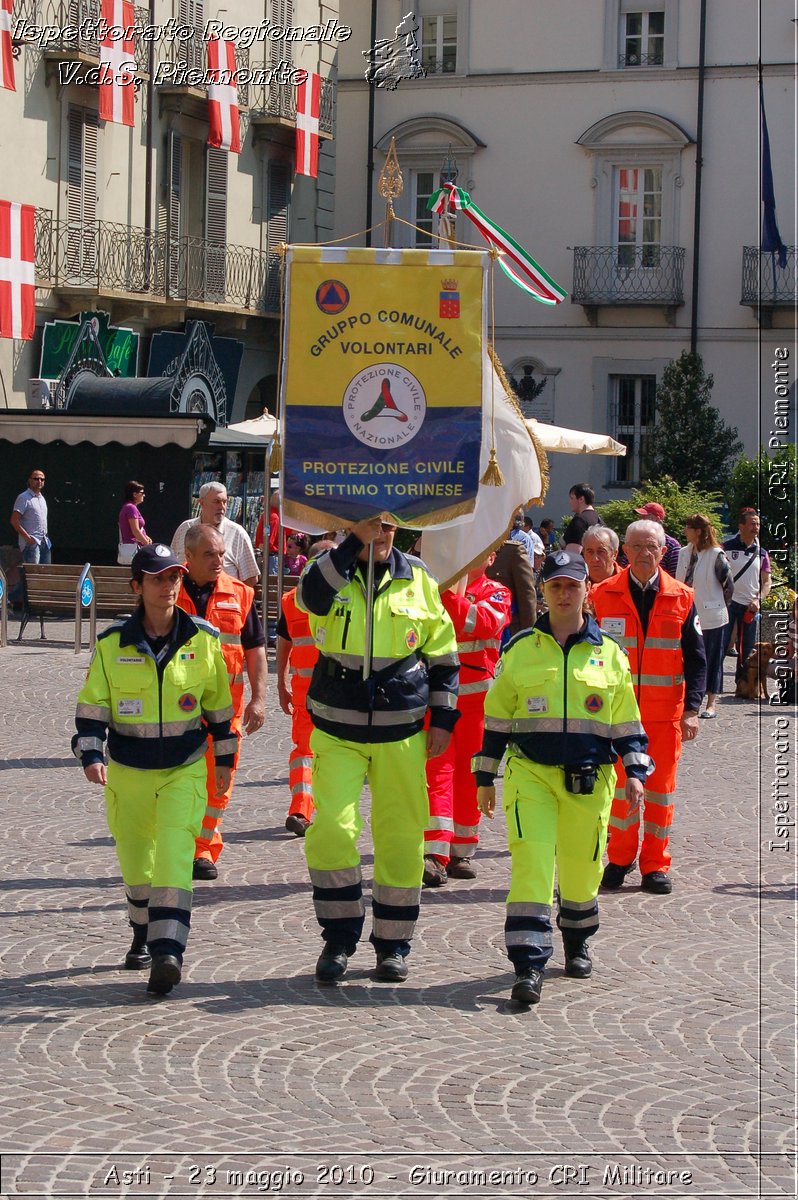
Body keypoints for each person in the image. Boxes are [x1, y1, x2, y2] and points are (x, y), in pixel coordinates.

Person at [474, 551, 650, 1007]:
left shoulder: (609, 655)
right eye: (555, 586)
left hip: (591, 781)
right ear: (545, 592)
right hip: (530, 775)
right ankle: (528, 962)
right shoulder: (519, 649)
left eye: (572, 585)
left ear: (586, 590)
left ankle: (576, 940)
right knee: (531, 866)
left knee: (581, 870)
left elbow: (626, 721)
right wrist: (484, 776)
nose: (564, 593)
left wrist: (635, 770)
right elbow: (495, 718)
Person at [297, 515, 459, 984]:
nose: (383, 535)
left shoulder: (419, 579)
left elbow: (444, 656)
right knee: (331, 830)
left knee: (402, 839)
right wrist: (351, 544)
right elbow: (310, 599)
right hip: (337, 727)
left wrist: (444, 718)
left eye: (389, 527)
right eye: (374, 527)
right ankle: (338, 937)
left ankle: (393, 945)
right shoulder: (328, 570)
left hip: (401, 732)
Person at [72, 543, 237, 996]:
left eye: (174, 578)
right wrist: (90, 753)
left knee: (174, 853)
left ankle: (168, 951)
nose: (168, 587)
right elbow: (93, 706)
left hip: (184, 768)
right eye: (158, 579)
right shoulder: (110, 645)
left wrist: (223, 760)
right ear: (137, 586)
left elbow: (219, 707)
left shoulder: (203, 639)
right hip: (128, 772)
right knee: (135, 861)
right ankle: (142, 932)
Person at [591, 520, 707, 895]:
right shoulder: (601, 595)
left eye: (652, 546)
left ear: (662, 551)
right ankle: (620, 859)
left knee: (660, 792)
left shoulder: (683, 596)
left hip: (664, 715)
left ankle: (655, 864)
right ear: (625, 551)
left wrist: (692, 709)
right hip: (616, 715)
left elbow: (697, 659)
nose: (644, 553)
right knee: (620, 790)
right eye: (637, 546)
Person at [176, 525, 266, 880]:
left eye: (222, 554)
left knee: (219, 781)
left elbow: (256, 650)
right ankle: (176, 844)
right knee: (179, 780)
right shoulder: (168, 592)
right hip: (177, 710)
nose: (219, 561)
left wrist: (259, 699)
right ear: (189, 557)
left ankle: (203, 849)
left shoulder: (240, 595)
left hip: (225, 712)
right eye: (209, 555)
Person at [423, 554, 511, 886]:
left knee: (471, 776)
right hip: (437, 699)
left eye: (488, 548)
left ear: (492, 558)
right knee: (436, 772)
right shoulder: (435, 588)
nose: (480, 553)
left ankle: (462, 850)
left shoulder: (498, 591)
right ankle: (434, 852)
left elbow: (479, 623)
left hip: (478, 702)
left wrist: (448, 596)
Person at [276, 539, 336, 837]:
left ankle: (301, 808)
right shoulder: (343, 597)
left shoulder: (290, 600)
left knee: (305, 751)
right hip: (337, 690)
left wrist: (280, 682)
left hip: (303, 689)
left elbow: (284, 642)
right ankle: (319, 811)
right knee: (333, 752)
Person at [676, 513, 734, 718]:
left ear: (698, 531)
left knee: (712, 658)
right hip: (687, 614)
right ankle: (693, 700)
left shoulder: (716, 554)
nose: (684, 530)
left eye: (688, 527)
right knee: (690, 658)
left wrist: (719, 605)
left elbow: (728, 585)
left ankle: (711, 702)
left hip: (712, 615)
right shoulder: (684, 552)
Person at [171, 482, 259, 588]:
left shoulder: (237, 533)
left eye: (225, 502)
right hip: (185, 600)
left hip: (223, 601)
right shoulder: (184, 529)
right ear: (201, 503)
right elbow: (172, 567)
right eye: (216, 502)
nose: (222, 507)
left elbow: (250, 579)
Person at [723, 508, 772, 684]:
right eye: (752, 524)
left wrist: (758, 599)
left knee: (747, 648)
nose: (756, 527)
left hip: (750, 605)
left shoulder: (762, 553)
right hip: (727, 603)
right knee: (720, 644)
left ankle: (743, 685)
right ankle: (713, 684)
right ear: (741, 526)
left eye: (758, 524)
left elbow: (766, 582)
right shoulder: (725, 548)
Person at [486, 537, 537, 646]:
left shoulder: (512, 551)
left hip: (508, 635)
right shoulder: (467, 551)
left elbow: (527, 598)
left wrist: (529, 636)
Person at [11, 469, 50, 565]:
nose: (39, 481)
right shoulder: (23, 497)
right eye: (36, 478)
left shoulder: (42, 498)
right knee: (32, 575)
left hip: (44, 542)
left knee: (46, 573)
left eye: (42, 479)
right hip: (31, 543)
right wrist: (28, 539)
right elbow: (14, 520)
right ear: (30, 480)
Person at [630, 502, 681, 576]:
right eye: (640, 516)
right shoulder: (632, 541)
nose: (641, 519)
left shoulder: (672, 545)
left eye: (645, 516)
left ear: (657, 519)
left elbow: (675, 576)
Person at [117, 481, 152, 564]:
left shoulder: (128, 507)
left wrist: (146, 537)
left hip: (135, 548)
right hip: (135, 549)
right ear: (134, 494)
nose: (144, 495)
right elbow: (135, 530)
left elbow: (137, 529)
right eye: (142, 493)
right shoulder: (130, 508)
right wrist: (148, 545)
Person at [562, 483, 603, 552]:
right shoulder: (600, 521)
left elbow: (573, 554)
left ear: (581, 499)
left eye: (572, 498)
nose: (570, 502)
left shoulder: (579, 521)